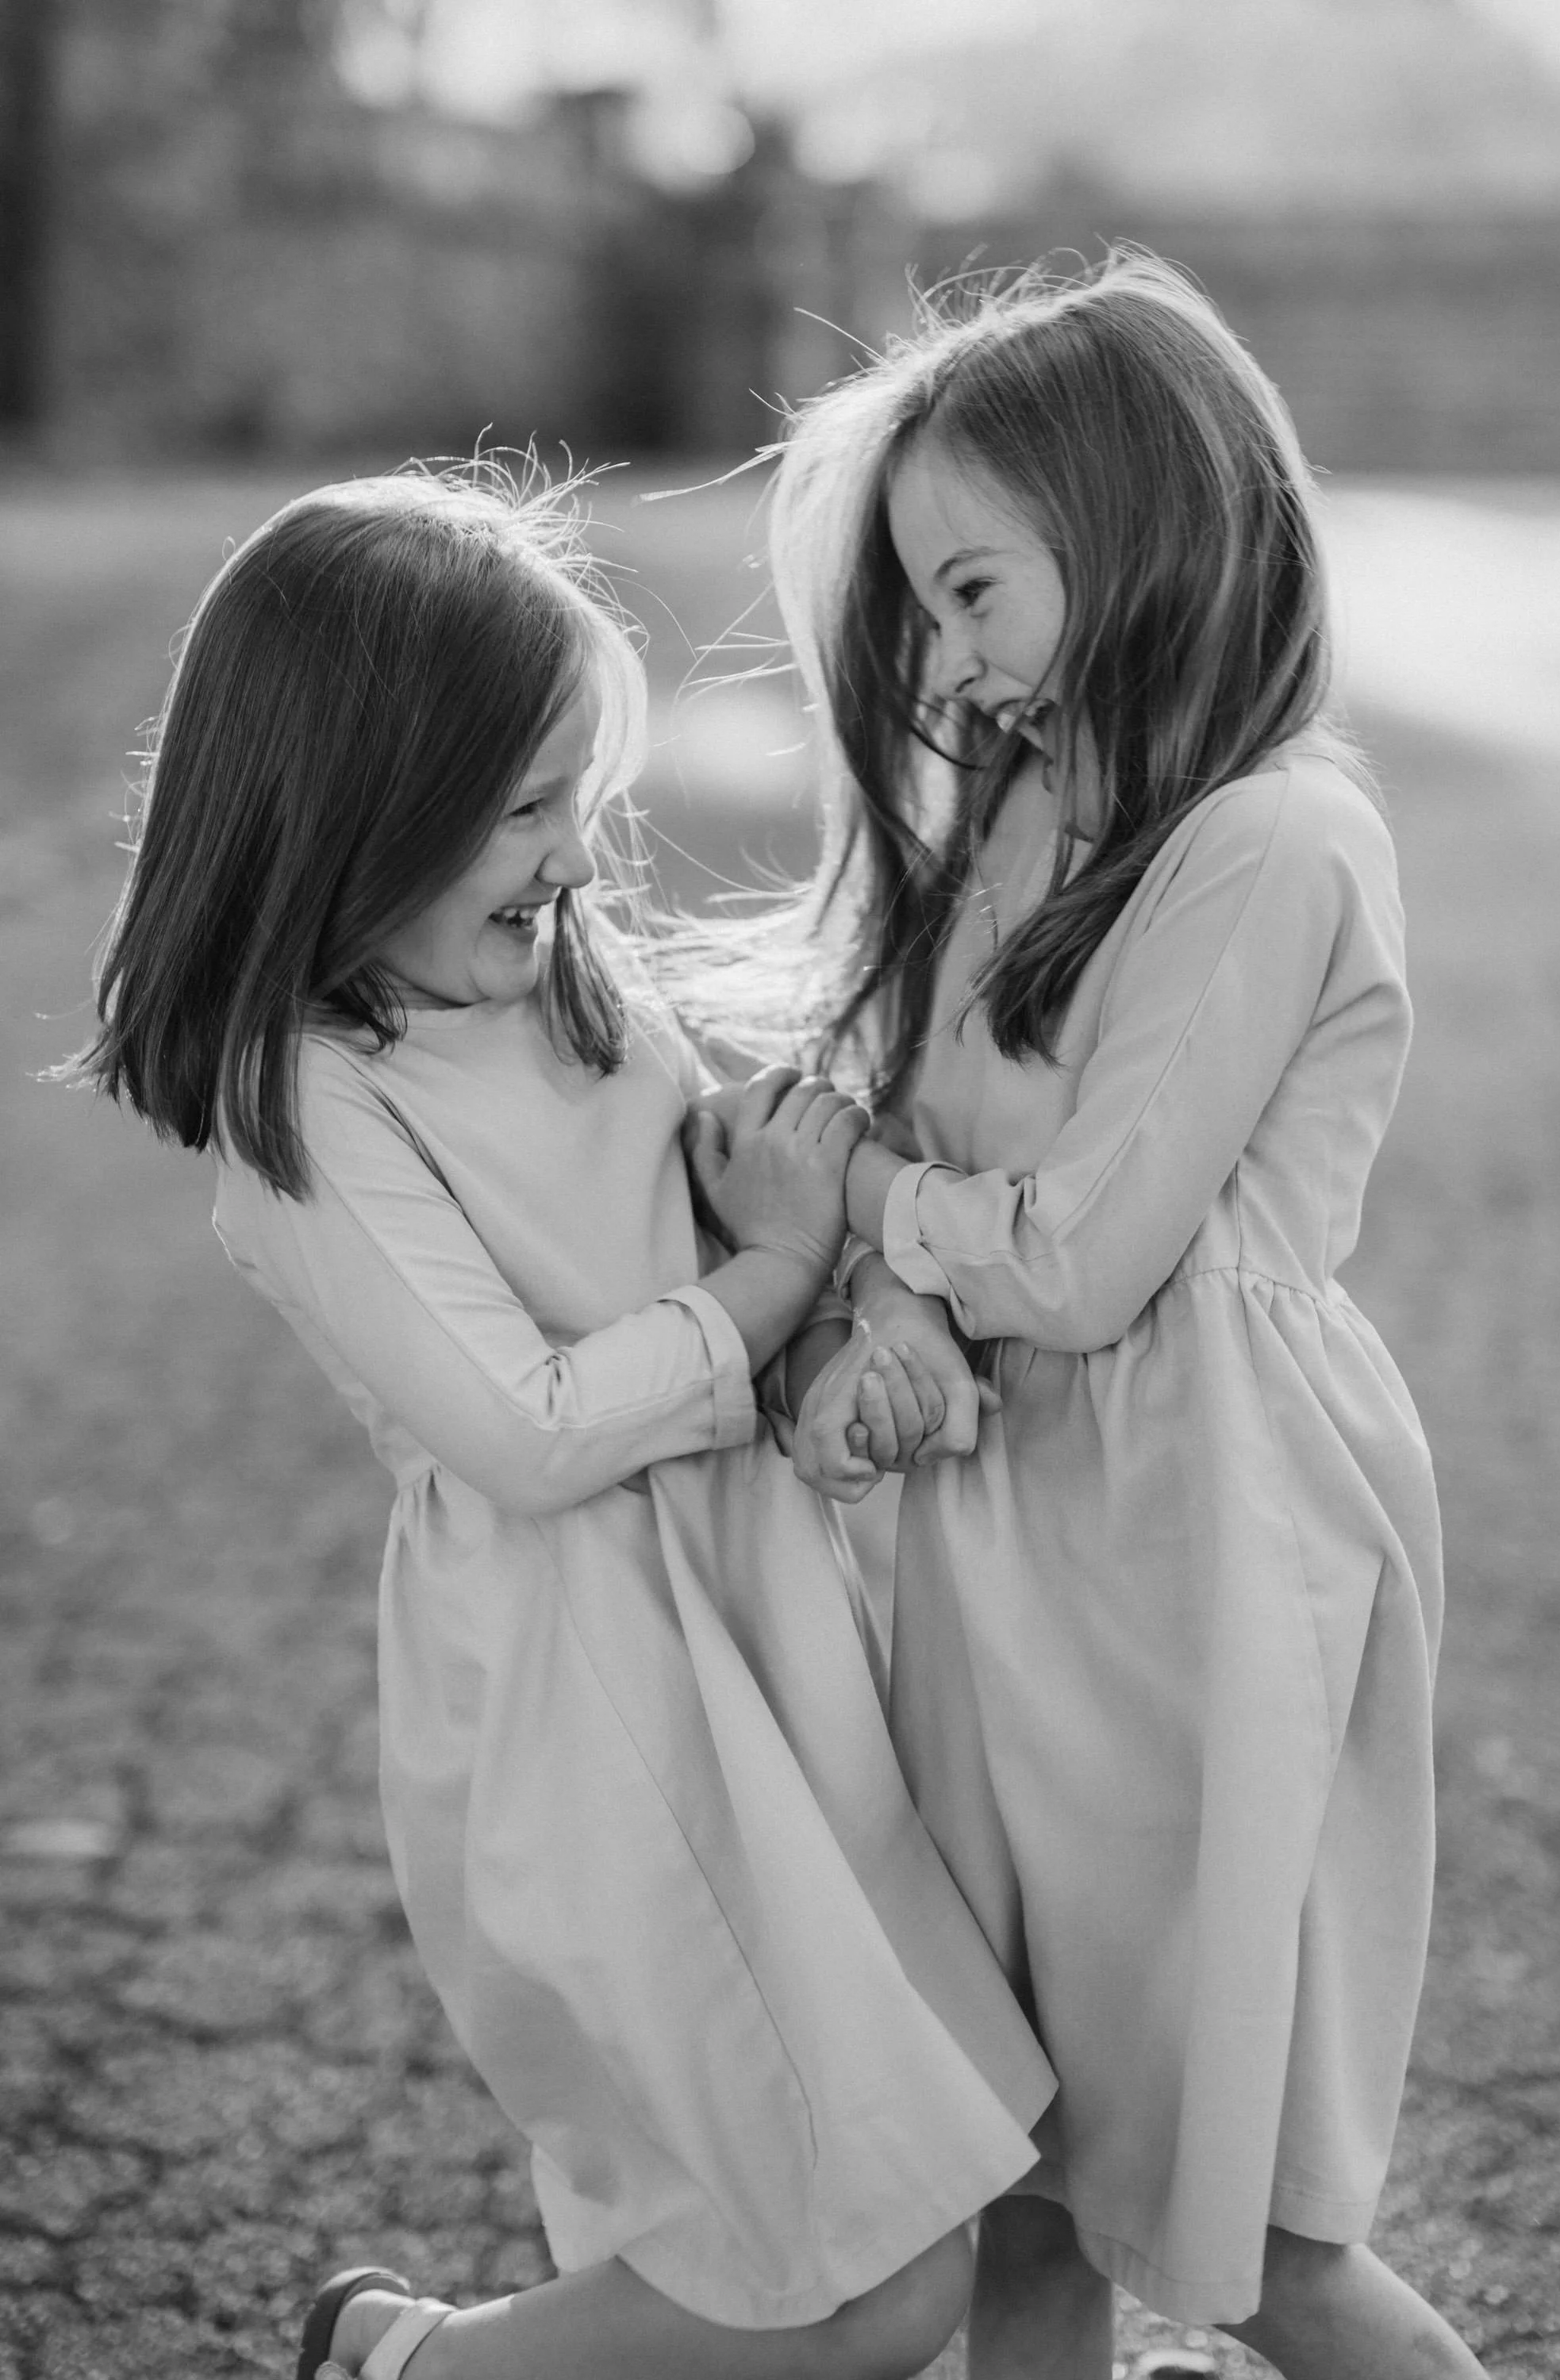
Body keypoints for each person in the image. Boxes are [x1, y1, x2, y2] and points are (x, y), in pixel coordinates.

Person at [65, 464, 1058, 2380]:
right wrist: (769, 1279)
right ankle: (409, 2366)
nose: (578, 863)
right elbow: (523, 1431)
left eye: (579, 806)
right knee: (851, 2267)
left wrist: (852, 1328)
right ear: (358, 811)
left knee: (867, 2195)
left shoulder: (568, 999)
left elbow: (740, 1216)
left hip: (756, 1652)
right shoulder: (314, 1107)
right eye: (528, 812)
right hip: (588, 1700)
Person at [762, 254, 1485, 2378]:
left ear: (1137, 527)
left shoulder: (1270, 841)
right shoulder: (1019, 808)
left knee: (1242, 2215)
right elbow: (919, 1146)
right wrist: (854, 1252)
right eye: (929, 613)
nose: (953, 663)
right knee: (1019, 2170)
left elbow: (1081, 1257)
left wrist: (867, 1199)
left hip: (1199, 1535)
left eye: (974, 592)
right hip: (1011, 1546)